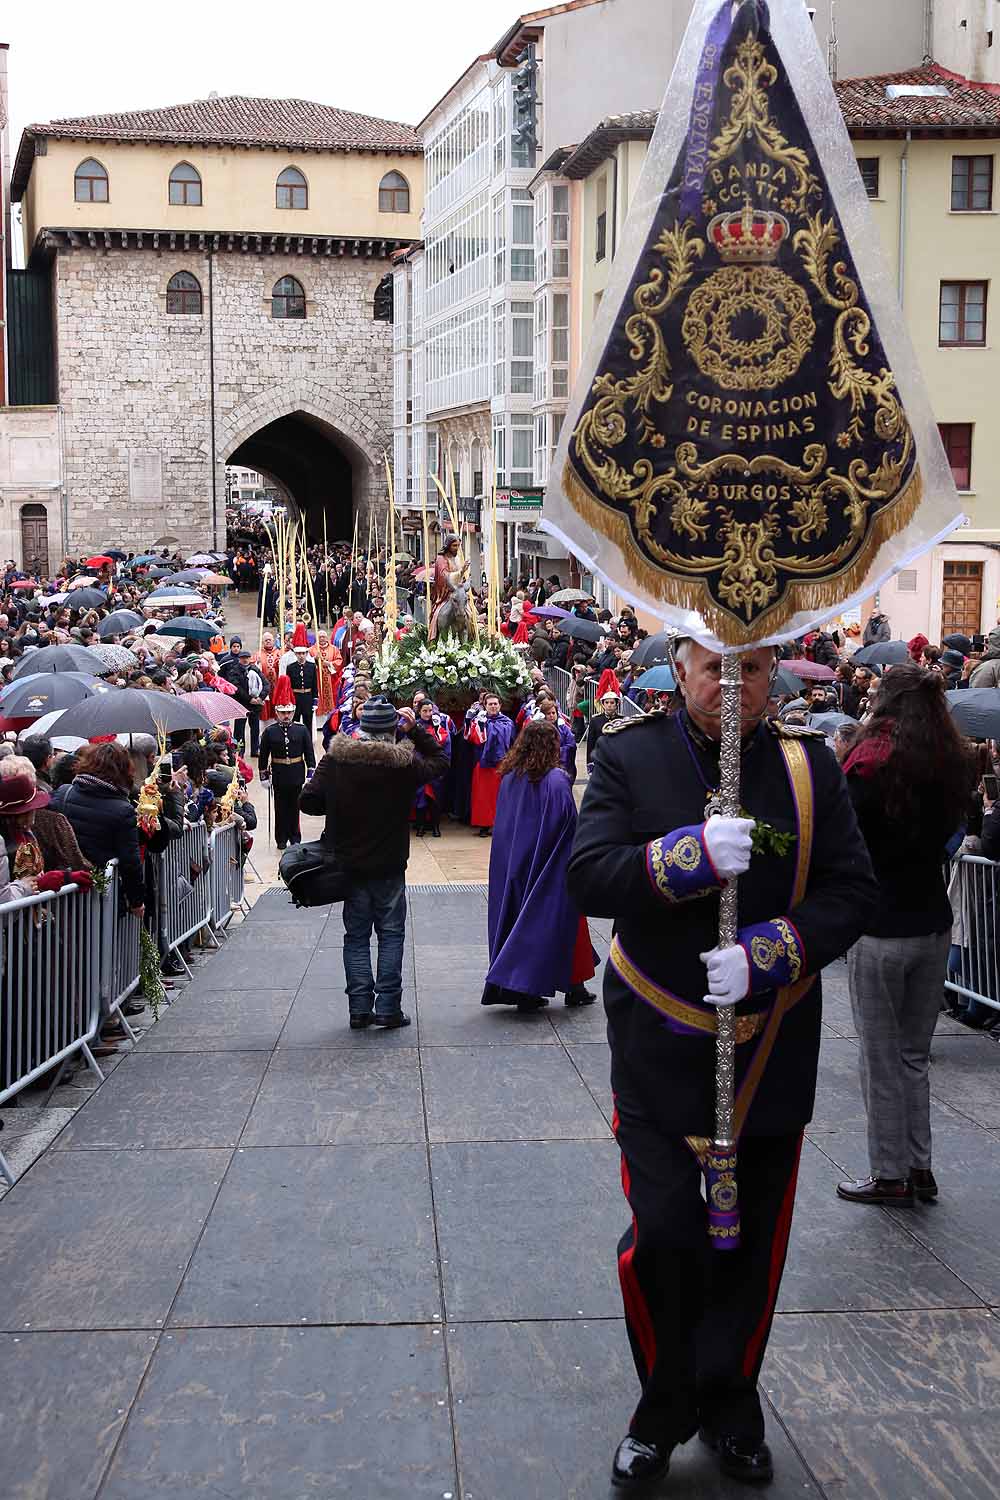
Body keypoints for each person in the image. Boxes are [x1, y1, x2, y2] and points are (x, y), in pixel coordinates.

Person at [567, 638, 876, 1490]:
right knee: (664, 1235)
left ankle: (732, 1401)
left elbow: (853, 890)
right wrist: (686, 858)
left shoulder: (810, 766)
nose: (733, 684)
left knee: (753, 1245)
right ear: (679, 667)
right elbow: (589, 876)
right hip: (659, 1043)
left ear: (774, 671)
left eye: (751, 668)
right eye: (714, 667)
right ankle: (662, 1406)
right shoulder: (630, 755)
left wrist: (772, 952)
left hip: (771, 1042)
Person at [837, 664, 976, 1205]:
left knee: (880, 1059)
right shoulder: (948, 762)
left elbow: (846, 836)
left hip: (880, 925)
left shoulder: (869, 764)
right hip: (932, 921)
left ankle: (889, 1173)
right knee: (914, 1056)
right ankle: (920, 1167)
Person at [299, 696, 448, 1029]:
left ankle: (359, 1008)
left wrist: (338, 806)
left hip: (349, 863)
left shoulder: (337, 760)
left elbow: (308, 800)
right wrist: (416, 730)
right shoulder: (403, 764)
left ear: (362, 727)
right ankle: (388, 1007)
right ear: (393, 729)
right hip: (389, 863)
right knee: (391, 934)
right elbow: (441, 761)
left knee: (356, 936)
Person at [483, 720, 595, 1013]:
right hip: (550, 863)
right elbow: (568, 825)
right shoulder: (556, 780)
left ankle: (526, 990)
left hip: (515, 864)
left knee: (521, 921)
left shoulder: (510, 777)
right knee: (567, 922)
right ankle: (574, 986)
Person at [258, 678, 315, 850]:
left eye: (289, 712)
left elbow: (309, 753)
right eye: (283, 712)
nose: (286, 715)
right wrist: (263, 776)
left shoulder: (302, 730)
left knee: (295, 807)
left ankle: (295, 837)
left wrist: (310, 772)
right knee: (280, 808)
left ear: (293, 712)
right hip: (279, 774)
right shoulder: (269, 732)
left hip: (296, 773)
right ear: (277, 713)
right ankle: (281, 838)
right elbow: (263, 756)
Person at [465, 693, 515, 837]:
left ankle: (499, 825)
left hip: (501, 764)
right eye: (490, 704)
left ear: (500, 705)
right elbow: (471, 738)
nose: (493, 706)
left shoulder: (507, 722)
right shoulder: (478, 720)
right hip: (483, 763)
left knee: (500, 796)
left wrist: (486, 726)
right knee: (482, 796)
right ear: (485, 706)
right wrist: (471, 722)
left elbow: (509, 739)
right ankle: (484, 826)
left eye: (495, 704)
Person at [412, 699, 451, 837]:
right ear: (419, 711)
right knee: (420, 798)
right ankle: (420, 826)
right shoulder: (414, 726)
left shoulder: (438, 725)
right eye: (425, 711)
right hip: (420, 766)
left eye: (430, 711)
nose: (428, 714)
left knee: (435, 798)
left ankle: (435, 826)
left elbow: (445, 745)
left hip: (435, 767)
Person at [287, 642, 318, 735]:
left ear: (306, 654)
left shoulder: (312, 666)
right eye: (299, 654)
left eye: (303, 653)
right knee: (294, 722)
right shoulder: (290, 667)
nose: (301, 656)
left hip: (308, 697)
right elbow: (288, 685)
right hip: (295, 697)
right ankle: (295, 740)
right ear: (295, 654)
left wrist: (315, 699)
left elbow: (314, 684)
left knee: (308, 722)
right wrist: (289, 700)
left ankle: (308, 741)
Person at [587, 691, 623, 768]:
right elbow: (590, 743)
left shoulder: (622, 720)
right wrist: (590, 763)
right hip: (600, 757)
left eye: (612, 703)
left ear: (617, 704)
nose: (609, 705)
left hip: (617, 758)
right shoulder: (595, 720)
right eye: (606, 702)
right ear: (603, 704)